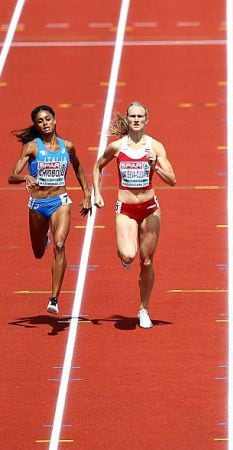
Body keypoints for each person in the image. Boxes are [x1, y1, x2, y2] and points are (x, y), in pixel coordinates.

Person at [92, 102, 176, 329]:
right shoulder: (117, 147)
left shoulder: (156, 147)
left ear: (147, 119)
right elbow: (98, 166)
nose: (136, 120)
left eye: (140, 116)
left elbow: (172, 180)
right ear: (127, 120)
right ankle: (122, 251)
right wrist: (97, 193)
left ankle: (143, 309)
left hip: (150, 209)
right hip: (126, 209)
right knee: (129, 255)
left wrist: (155, 164)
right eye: (133, 116)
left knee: (146, 261)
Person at [8, 105, 91, 315]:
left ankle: (54, 298)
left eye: (48, 119)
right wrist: (24, 177)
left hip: (60, 201)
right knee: (38, 253)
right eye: (40, 121)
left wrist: (87, 195)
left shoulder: (68, 147)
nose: (45, 123)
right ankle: (43, 235)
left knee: (60, 244)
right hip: (37, 205)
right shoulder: (32, 147)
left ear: (55, 120)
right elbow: (11, 176)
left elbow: (79, 168)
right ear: (36, 125)